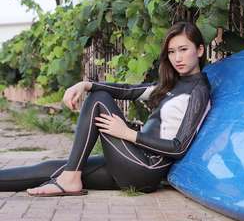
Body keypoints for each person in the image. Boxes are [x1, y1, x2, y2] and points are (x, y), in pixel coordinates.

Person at [0, 22, 211, 196]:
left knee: (99, 100)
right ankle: (70, 176)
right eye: (172, 52)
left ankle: (70, 179)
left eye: (183, 50)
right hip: (131, 157)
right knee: (53, 168)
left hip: (146, 169)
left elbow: (178, 148)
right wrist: (85, 85)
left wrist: (127, 134)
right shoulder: (170, 85)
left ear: (200, 50)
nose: (177, 58)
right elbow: (128, 90)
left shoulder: (199, 91)